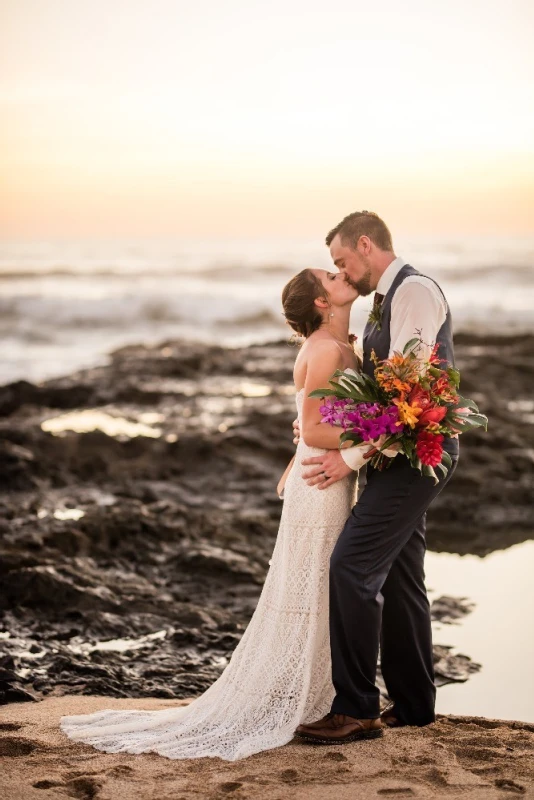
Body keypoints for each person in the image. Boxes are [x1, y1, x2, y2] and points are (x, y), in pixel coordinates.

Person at [59, 266, 372, 761]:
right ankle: (318, 698)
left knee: (322, 586)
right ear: (319, 302)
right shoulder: (328, 350)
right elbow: (313, 430)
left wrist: (358, 437)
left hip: (327, 476)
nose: (339, 274)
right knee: (313, 586)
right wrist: (377, 438)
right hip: (320, 481)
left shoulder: (344, 345)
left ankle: (329, 694)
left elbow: (321, 421)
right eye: (328, 276)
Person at [295, 211, 459, 745]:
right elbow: (375, 394)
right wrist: (320, 423)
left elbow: (408, 395)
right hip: (396, 450)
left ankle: (358, 707)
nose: (342, 271)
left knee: (351, 567)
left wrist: (352, 458)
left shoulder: (412, 294)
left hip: (416, 454)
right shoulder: (380, 305)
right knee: (401, 577)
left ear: (366, 245)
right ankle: (413, 706)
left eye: (342, 261)